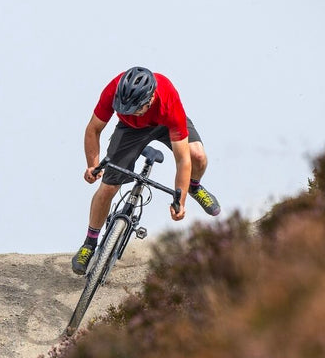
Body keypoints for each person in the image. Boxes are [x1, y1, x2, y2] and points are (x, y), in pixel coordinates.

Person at [72, 66, 221, 275]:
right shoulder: (114, 89)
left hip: (165, 123)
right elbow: (93, 129)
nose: (128, 111)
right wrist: (93, 165)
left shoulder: (168, 103)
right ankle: (89, 244)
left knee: (197, 156)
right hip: (130, 130)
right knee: (108, 188)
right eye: (124, 108)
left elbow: (182, 160)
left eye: (134, 109)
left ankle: (194, 187)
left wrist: (180, 200)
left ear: (149, 99)